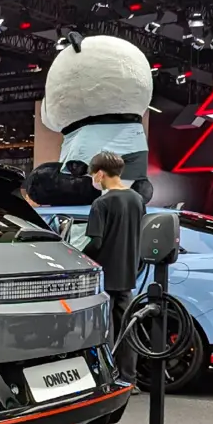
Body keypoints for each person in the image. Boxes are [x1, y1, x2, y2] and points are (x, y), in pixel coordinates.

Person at [83, 151, 145, 386]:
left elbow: (96, 242)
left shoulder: (101, 203)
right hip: (128, 276)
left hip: (105, 278)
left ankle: (108, 380)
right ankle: (129, 378)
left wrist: (80, 257)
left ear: (100, 174)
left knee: (105, 333)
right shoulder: (137, 200)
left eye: (93, 175)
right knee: (127, 331)